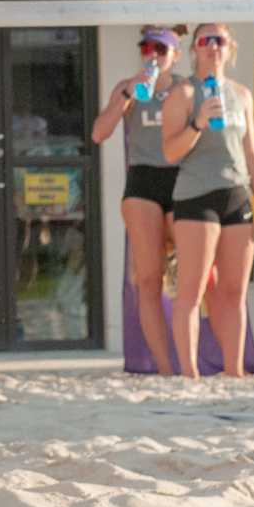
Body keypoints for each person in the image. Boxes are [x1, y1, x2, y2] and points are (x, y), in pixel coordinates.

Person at [160, 23, 254, 380]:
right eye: (205, 41)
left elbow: (251, 153)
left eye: (219, 41)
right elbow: (169, 151)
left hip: (236, 193)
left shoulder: (241, 94)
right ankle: (190, 373)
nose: (213, 47)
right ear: (194, 49)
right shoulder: (183, 94)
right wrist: (197, 123)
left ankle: (234, 370)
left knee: (234, 292)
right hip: (197, 195)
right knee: (192, 291)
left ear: (230, 48)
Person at [92, 26, 187, 376]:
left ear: (175, 55)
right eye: (147, 48)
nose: (153, 56)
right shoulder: (128, 87)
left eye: (161, 50)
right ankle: (163, 367)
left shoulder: (185, 88)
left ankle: (194, 358)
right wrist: (126, 97)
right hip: (144, 179)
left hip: (182, 178)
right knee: (148, 278)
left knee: (193, 276)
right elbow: (99, 133)